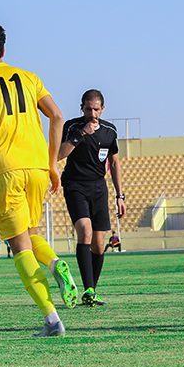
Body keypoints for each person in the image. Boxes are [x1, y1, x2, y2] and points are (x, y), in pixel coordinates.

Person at [0, 21, 75, 337]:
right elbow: (58, 116)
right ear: (3, 50)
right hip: (37, 168)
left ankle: (52, 320)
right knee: (30, 235)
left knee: (19, 248)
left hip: (5, 170)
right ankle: (55, 263)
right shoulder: (29, 78)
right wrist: (52, 164)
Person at [58, 89, 126, 308]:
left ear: (102, 109)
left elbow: (114, 163)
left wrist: (120, 195)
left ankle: (91, 291)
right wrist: (81, 134)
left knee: (98, 243)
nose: (92, 114)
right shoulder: (72, 127)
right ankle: (88, 288)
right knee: (85, 231)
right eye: (88, 109)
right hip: (75, 185)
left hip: (99, 188)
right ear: (82, 108)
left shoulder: (110, 131)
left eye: (96, 109)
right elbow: (59, 154)